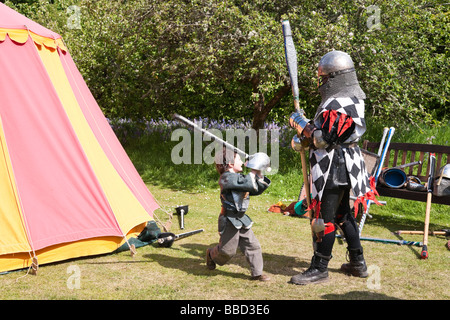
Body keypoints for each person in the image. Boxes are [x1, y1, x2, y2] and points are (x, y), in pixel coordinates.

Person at [289, 50, 380, 285]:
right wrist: (305, 132)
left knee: (323, 218)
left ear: (335, 77)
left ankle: (319, 268)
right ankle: (358, 264)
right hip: (344, 163)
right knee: (342, 214)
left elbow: (322, 139)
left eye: (324, 78)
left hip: (334, 166)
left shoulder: (342, 102)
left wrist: (299, 122)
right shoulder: (349, 99)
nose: (322, 83)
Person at [206, 147, 271, 281]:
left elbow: (255, 188)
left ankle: (257, 273)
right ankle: (211, 254)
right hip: (229, 220)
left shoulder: (241, 178)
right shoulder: (226, 179)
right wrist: (253, 171)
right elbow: (245, 183)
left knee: (253, 246)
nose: (242, 162)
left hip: (241, 219)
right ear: (230, 164)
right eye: (239, 160)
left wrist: (258, 174)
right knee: (227, 251)